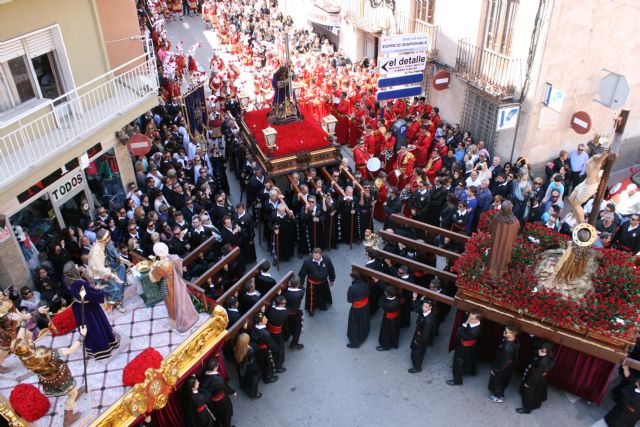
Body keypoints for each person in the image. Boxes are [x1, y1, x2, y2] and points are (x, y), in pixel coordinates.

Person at [12, 323, 87, 426]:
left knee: (71, 390)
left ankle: (73, 393)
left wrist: (24, 322)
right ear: (28, 348)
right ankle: (68, 417)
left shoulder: (23, 357)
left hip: (47, 378)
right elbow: (70, 350)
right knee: (71, 395)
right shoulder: (42, 354)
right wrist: (82, 336)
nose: (30, 340)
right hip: (59, 377)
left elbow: (19, 340)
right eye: (28, 342)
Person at [63, 262, 120, 360]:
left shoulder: (67, 280)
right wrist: (100, 291)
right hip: (88, 308)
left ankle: (92, 348)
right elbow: (91, 294)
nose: (77, 266)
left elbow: (85, 291)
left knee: (88, 329)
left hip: (78, 307)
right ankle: (103, 348)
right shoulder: (78, 283)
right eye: (75, 266)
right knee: (96, 327)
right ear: (73, 271)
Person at [150, 242, 200, 333]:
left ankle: (176, 321)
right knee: (183, 300)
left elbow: (153, 279)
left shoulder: (159, 266)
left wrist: (152, 268)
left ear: (156, 253)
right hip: (178, 282)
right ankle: (189, 317)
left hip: (168, 285)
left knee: (171, 303)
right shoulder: (173, 258)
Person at [87, 229, 126, 313]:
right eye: (108, 236)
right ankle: (117, 303)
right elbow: (99, 268)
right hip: (100, 274)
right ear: (104, 239)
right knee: (114, 287)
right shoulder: (96, 252)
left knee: (121, 268)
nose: (110, 237)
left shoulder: (105, 244)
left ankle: (117, 299)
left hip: (107, 267)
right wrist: (111, 275)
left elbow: (112, 255)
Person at [517, 341, 556, 414]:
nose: (539, 351)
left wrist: (529, 383)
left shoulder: (543, 362)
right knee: (537, 392)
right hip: (540, 377)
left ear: (547, 351)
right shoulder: (547, 356)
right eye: (540, 349)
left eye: (542, 350)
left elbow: (536, 374)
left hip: (537, 377)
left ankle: (527, 409)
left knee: (530, 392)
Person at [447, 310, 482, 385]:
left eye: (471, 318)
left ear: (477, 319)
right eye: (469, 317)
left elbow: (459, 334)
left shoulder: (473, 331)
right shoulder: (475, 324)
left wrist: (465, 323)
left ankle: (457, 380)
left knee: (458, 362)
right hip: (469, 346)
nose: (469, 319)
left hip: (464, 348)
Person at [487, 325, 520, 403]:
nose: (504, 332)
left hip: (503, 367)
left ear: (512, 335)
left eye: (506, 332)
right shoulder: (513, 341)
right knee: (503, 380)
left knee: (499, 381)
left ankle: (498, 397)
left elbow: (503, 363)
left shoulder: (507, 348)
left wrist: (495, 370)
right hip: (508, 365)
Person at [486, 201, 520, 276]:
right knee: (503, 256)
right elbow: (516, 232)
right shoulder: (514, 222)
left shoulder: (496, 218)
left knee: (494, 255)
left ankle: (491, 272)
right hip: (506, 244)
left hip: (496, 242)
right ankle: (499, 273)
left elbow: (491, 229)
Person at [298, 248, 336, 316]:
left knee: (323, 295)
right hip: (312, 283)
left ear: (321, 255)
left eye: (317, 256)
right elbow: (302, 273)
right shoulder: (307, 262)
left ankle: (322, 305)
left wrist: (332, 279)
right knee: (311, 298)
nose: (315, 258)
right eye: (314, 256)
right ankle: (311, 309)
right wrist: (301, 283)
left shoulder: (327, 259)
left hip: (323, 282)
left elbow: (331, 270)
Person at [199, 357, 236, 427]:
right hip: (222, 401)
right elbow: (226, 388)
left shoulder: (202, 376)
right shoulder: (218, 379)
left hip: (211, 402)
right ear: (215, 367)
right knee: (226, 415)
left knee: (218, 415)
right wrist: (233, 392)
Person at [408, 295, 436, 373]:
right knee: (418, 352)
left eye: (426, 307)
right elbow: (417, 309)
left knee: (417, 352)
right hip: (419, 334)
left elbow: (425, 334)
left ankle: (417, 367)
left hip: (420, 339)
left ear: (430, 307)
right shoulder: (426, 313)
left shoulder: (428, 320)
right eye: (423, 306)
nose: (423, 308)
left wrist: (418, 341)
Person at [250, 312, 279, 384]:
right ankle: (268, 378)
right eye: (264, 319)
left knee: (262, 362)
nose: (266, 319)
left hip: (259, 350)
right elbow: (271, 344)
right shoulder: (265, 333)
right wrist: (277, 349)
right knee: (268, 363)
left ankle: (264, 374)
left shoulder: (254, 328)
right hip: (265, 350)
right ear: (260, 322)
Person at [346, 271, 370, 349]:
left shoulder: (352, 288)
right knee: (364, 321)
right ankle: (363, 336)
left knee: (354, 325)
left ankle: (355, 343)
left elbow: (349, 300)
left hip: (356, 309)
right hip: (365, 306)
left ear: (353, 278)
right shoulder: (365, 284)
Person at [234, 332, 262, 399]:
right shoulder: (250, 351)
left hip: (242, 366)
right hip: (252, 366)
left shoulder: (236, 348)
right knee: (255, 378)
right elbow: (257, 352)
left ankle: (244, 386)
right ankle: (253, 394)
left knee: (246, 377)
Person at [266, 296, 288, 374]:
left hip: (269, 331)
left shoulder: (270, 310)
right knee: (279, 349)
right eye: (284, 303)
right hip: (277, 333)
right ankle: (278, 366)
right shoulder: (285, 312)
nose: (285, 304)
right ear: (281, 304)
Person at [282, 275, 304, 350]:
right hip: (295, 313)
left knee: (287, 326)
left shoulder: (285, 292)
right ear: (298, 284)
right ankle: (294, 344)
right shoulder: (301, 292)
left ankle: (285, 337)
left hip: (286, 313)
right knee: (298, 328)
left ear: (290, 283)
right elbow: (301, 287)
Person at [377, 286, 401, 351]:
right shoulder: (397, 299)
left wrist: (384, 296)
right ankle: (394, 343)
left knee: (386, 332)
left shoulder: (388, 305)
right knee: (394, 331)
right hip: (396, 318)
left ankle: (386, 346)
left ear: (388, 294)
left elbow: (380, 302)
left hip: (388, 319)